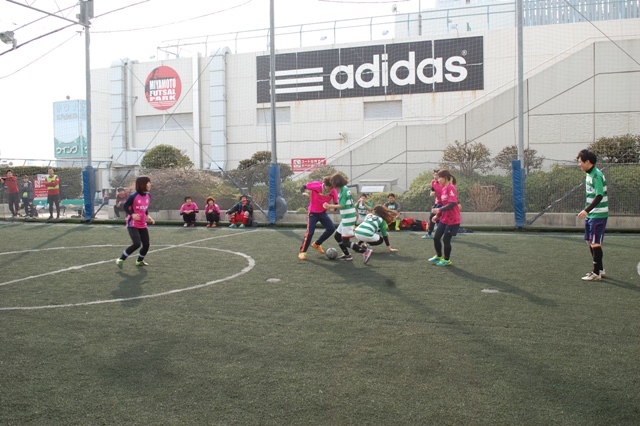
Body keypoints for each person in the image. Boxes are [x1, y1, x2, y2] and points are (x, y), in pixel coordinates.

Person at [577, 149, 608, 281]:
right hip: (592, 215)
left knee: (595, 242)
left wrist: (586, 210)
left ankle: (596, 273)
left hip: (598, 215)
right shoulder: (589, 174)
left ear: (587, 162)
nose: (579, 164)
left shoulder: (596, 176)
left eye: (580, 162)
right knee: (589, 241)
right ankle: (600, 269)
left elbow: (599, 195)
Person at [115, 176, 155, 268]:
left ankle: (139, 261)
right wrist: (132, 214)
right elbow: (125, 206)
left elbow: (145, 208)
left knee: (146, 244)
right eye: (148, 182)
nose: (150, 184)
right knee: (137, 243)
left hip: (142, 223)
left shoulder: (148, 195)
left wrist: (148, 216)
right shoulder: (133, 196)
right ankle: (121, 259)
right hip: (132, 223)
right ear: (142, 184)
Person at [323, 173, 364, 261]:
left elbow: (341, 205)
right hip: (347, 217)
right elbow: (347, 204)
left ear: (336, 182)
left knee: (345, 242)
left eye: (332, 182)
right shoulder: (344, 189)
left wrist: (329, 206)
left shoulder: (343, 190)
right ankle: (347, 255)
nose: (332, 185)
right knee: (337, 236)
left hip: (348, 217)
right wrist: (333, 207)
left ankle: (365, 251)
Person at [298, 176, 338, 260]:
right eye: (329, 187)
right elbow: (303, 187)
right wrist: (303, 193)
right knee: (310, 233)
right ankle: (302, 252)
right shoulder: (316, 185)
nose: (330, 189)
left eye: (332, 187)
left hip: (323, 213)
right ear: (325, 185)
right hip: (312, 213)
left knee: (331, 228)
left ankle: (317, 243)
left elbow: (335, 204)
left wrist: (332, 208)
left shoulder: (333, 191)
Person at [428, 170, 461, 267]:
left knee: (446, 240)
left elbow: (452, 203)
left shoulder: (451, 187)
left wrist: (438, 210)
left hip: (453, 220)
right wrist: (437, 215)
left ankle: (447, 260)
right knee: (436, 237)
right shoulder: (443, 189)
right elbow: (443, 204)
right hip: (444, 218)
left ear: (445, 178)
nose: (437, 180)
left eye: (439, 178)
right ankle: (439, 256)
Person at [423, 170, 443, 239]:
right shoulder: (433, 182)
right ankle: (438, 226)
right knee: (432, 216)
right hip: (437, 202)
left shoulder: (443, 183)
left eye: (437, 175)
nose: (435, 176)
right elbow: (433, 190)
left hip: (443, 202)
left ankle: (430, 233)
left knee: (432, 216)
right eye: (434, 175)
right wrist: (432, 192)